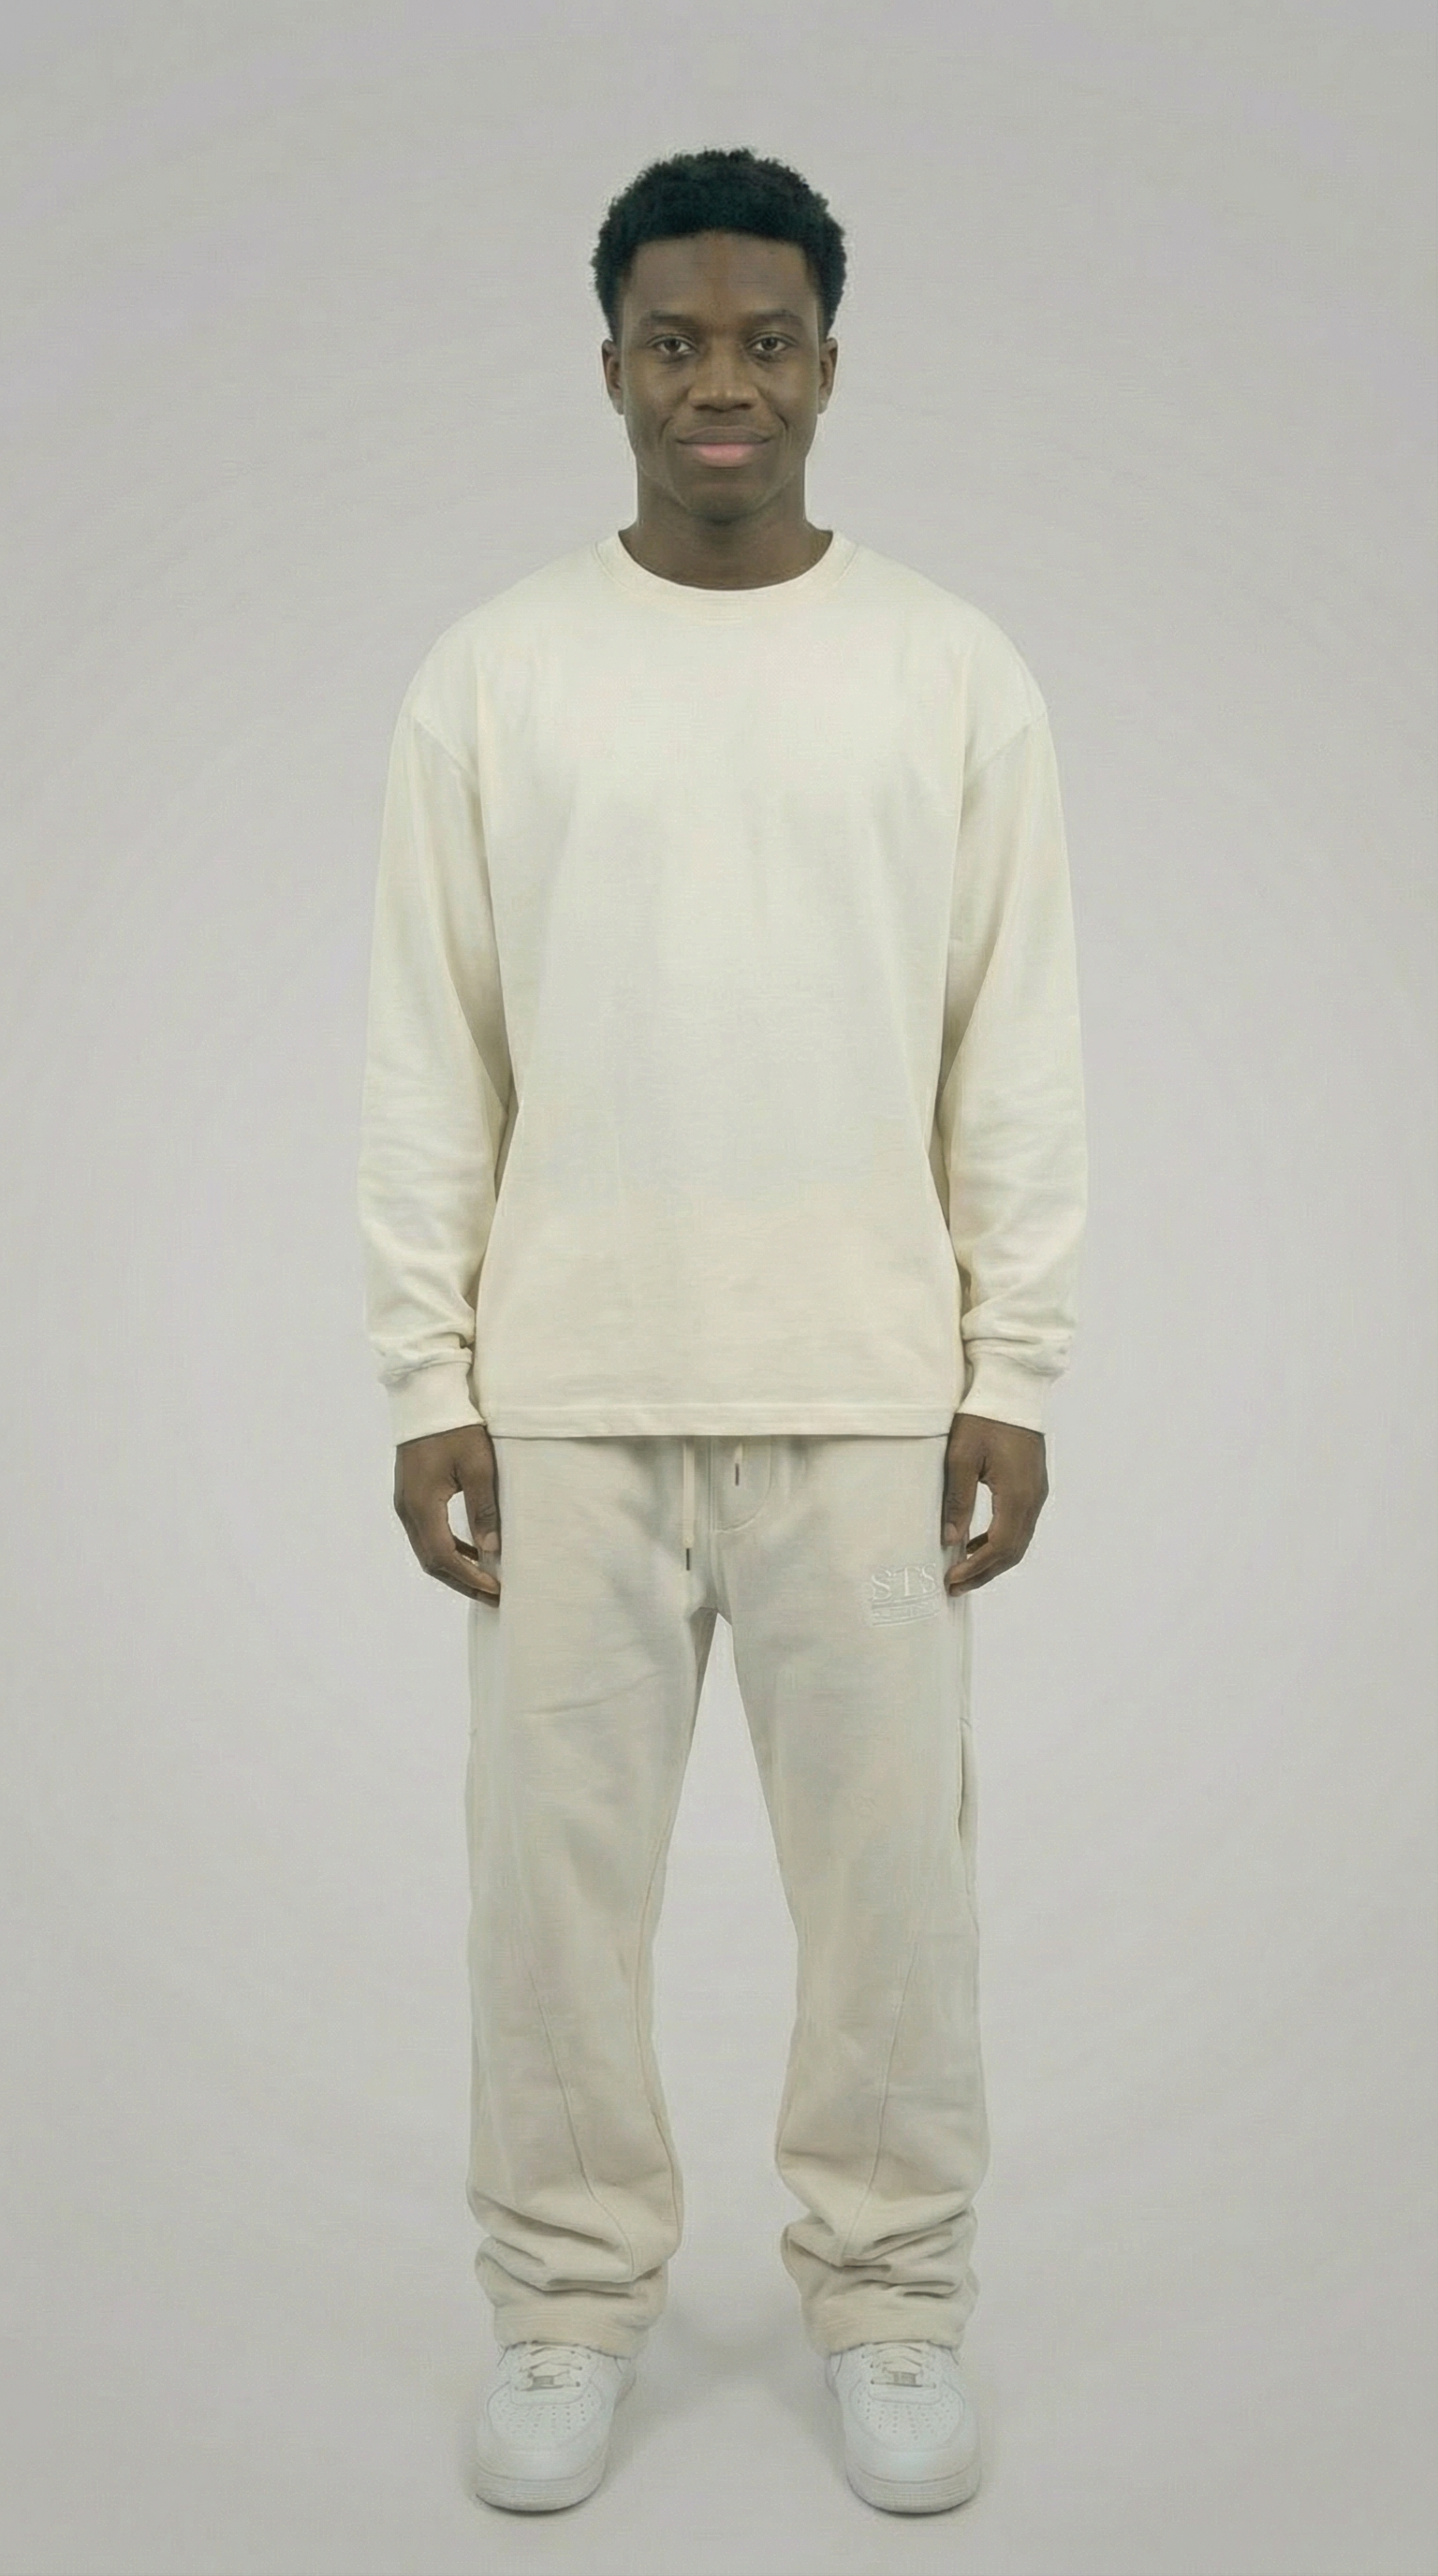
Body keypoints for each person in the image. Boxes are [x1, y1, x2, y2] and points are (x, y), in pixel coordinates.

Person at [356, 143, 1088, 2520]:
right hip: (569, 1395)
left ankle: (891, 2296)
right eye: (675, 341)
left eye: (766, 340)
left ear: (830, 366)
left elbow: (1013, 1046)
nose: (721, 381)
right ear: (610, 367)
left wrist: (1010, 1366)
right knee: (549, 1903)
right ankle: (567, 2301)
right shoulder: (498, 673)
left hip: (865, 1393)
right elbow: (432, 1049)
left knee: (894, 1909)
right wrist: (430, 1374)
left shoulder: (949, 670)